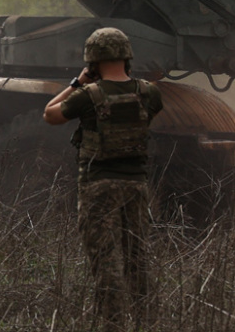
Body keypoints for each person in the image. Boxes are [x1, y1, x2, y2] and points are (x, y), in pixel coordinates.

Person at [44, 27, 163, 331]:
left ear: (92, 62)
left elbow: (50, 113)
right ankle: (146, 322)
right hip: (137, 184)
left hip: (98, 184)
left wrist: (77, 82)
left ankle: (113, 324)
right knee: (138, 257)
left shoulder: (88, 96)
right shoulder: (149, 92)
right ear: (127, 56)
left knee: (105, 260)